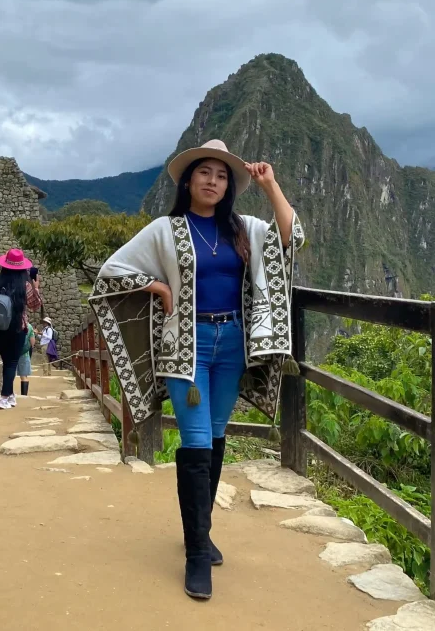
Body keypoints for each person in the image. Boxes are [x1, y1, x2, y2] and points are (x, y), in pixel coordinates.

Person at [89, 139, 304, 600]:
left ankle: (201, 533)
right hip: (186, 347)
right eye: (204, 172)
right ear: (188, 180)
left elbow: (291, 238)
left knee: (217, 434)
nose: (212, 181)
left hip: (233, 345)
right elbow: (111, 271)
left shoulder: (243, 228)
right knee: (197, 441)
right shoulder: (166, 230)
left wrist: (270, 185)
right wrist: (158, 288)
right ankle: (195, 555)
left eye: (222, 175)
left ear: (229, 185)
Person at [0, 248, 42, 410]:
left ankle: (11, 395)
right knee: (11, 362)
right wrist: (36, 288)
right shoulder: (25, 284)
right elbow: (35, 306)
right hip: (17, 328)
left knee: (7, 360)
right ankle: (3, 397)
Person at [18, 322, 36, 396]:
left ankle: (8, 393)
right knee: (24, 376)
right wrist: (31, 348)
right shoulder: (29, 326)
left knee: (10, 374)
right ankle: (24, 395)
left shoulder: (12, 322)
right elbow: (32, 341)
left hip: (12, 353)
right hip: (24, 353)